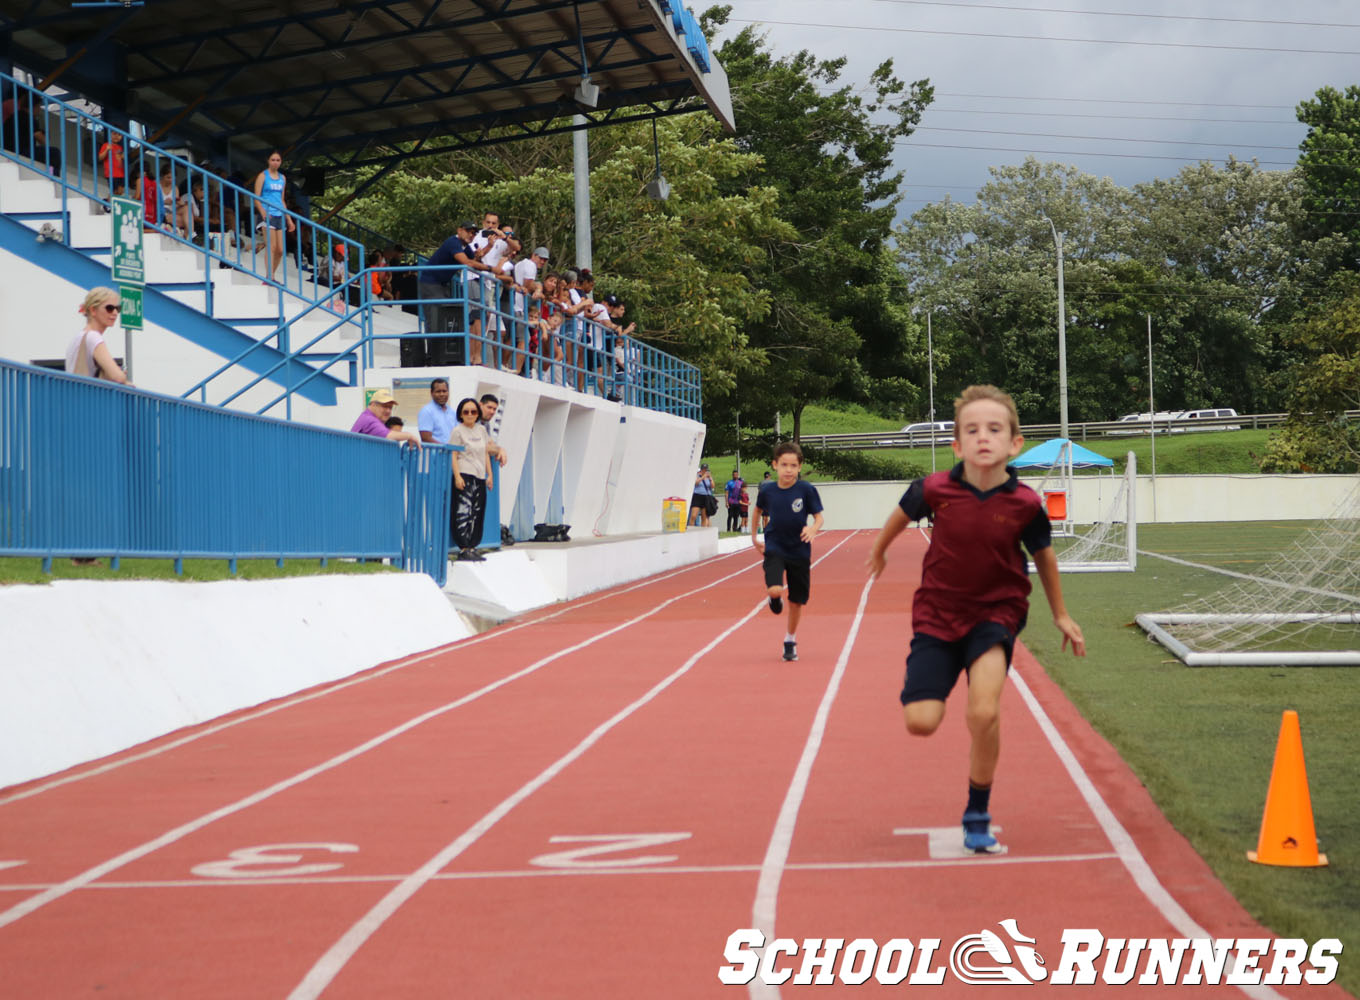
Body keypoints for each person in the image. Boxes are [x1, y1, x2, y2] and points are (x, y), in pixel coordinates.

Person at [866, 384, 1086, 855]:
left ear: (1014, 443)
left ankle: (977, 812)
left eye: (994, 428)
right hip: (938, 613)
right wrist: (879, 551)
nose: (983, 437)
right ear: (956, 444)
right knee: (921, 721)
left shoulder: (1026, 504)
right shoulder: (934, 489)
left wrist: (1061, 614)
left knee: (983, 711)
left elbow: (1045, 557)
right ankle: (933, 684)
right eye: (972, 429)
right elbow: (899, 517)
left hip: (996, 612)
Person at [752, 443, 824, 662]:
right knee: (774, 589)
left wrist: (812, 528)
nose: (789, 470)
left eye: (793, 465)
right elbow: (756, 511)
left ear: (800, 466)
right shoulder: (768, 490)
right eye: (784, 465)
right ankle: (774, 599)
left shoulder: (806, 490)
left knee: (796, 601)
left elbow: (819, 516)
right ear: (775, 465)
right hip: (775, 546)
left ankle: (790, 640)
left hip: (800, 549)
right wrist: (754, 537)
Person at [417, 222, 484, 368]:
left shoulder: (465, 247)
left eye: (473, 233)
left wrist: (479, 257)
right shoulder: (452, 242)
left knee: (446, 318)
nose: (471, 235)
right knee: (435, 319)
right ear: (459, 230)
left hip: (443, 285)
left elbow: (473, 262)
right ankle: (433, 357)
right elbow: (467, 263)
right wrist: (491, 268)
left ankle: (444, 355)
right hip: (431, 283)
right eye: (468, 231)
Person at [449, 396, 495, 561]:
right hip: (464, 473)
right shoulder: (457, 431)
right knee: (463, 511)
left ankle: (473, 546)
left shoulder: (481, 430)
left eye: (473, 411)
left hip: (479, 475)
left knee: (477, 511)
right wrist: (457, 476)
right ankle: (464, 547)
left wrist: (490, 474)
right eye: (466, 412)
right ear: (461, 414)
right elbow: (453, 455)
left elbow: (485, 453)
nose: (470, 414)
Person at [65, 287, 131, 385]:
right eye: (109, 308)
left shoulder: (78, 337)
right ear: (93, 310)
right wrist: (123, 378)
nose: (115, 312)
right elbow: (117, 377)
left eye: (118, 308)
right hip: (87, 396)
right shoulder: (93, 337)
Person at [253, 150, 294, 283]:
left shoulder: (282, 178)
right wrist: (262, 211)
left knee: (281, 250)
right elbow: (256, 197)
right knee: (272, 246)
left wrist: (289, 219)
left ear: (281, 162)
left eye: (278, 160)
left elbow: (282, 199)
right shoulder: (263, 176)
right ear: (268, 161)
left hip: (279, 213)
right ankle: (269, 276)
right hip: (267, 213)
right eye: (273, 160)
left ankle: (272, 276)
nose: (275, 162)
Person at [350, 388, 421, 446]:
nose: (388, 411)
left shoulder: (367, 416)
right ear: (373, 405)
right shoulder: (370, 420)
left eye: (390, 407)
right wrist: (409, 435)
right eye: (385, 406)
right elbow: (389, 435)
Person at [417, 377, 457, 445]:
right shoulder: (426, 411)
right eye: (438, 391)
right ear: (432, 393)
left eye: (444, 391)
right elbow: (425, 438)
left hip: (451, 454)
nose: (442, 394)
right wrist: (445, 448)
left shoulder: (452, 412)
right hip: (435, 454)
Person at [478, 393, 509, 468]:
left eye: (494, 409)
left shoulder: (486, 424)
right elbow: (481, 446)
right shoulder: (472, 422)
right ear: (480, 405)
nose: (492, 412)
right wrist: (498, 450)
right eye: (489, 407)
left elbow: (490, 442)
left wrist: (500, 449)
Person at [98, 131, 125, 201]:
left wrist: (122, 156)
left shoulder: (120, 147)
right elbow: (100, 157)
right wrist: (107, 150)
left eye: (119, 134)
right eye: (114, 134)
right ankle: (107, 203)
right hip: (112, 173)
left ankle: (107, 201)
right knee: (114, 191)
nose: (116, 136)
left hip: (120, 173)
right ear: (110, 135)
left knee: (121, 191)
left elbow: (121, 158)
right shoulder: (106, 145)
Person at [689, 463, 716, 527]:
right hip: (697, 496)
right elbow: (695, 483)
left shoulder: (709, 477)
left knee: (704, 517)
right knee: (693, 516)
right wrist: (702, 477)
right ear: (701, 470)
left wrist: (710, 479)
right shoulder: (697, 475)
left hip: (706, 497)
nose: (705, 471)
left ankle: (703, 531)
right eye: (703, 469)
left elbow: (712, 486)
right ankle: (691, 529)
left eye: (706, 469)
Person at [724, 468, 745, 533]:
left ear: (738, 475)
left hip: (737, 502)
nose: (735, 475)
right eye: (734, 474)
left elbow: (743, 492)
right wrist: (726, 502)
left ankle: (734, 529)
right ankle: (728, 529)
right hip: (731, 501)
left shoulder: (740, 483)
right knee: (730, 515)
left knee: (736, 516)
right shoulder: (729, 482)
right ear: (732, 475)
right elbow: (726, 492)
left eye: (736, 474)